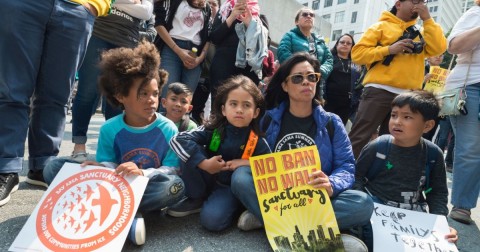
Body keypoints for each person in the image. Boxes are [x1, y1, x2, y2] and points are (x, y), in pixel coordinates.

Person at [43, 41, 185, 245]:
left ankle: (122, 213)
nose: (151, 100)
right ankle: (128, 213)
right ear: (121, 96)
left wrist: (142, 172)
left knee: (175, 187)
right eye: (143, 94)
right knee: (53, 168)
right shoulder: (109, 128)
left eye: (155, 93)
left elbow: (171, 169)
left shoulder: (168, 128)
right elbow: (108, 165)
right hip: (112, 186)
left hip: (146, 185)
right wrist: (100, 168)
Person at [231, 52, 373, 234]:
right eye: (298, 78)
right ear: (284, 85)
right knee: (241, 177)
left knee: (363, 203)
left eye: (311, 77)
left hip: (315, 196)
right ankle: (308, 228)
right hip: (276, 195)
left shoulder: (332, 122)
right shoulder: (267, 119)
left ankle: (267, 220)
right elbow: (256, 159)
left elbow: (346, 166)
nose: (306, 82)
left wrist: (332, 183)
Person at [0, 0, 112, 207]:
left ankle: (43, 164)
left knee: (57, 94)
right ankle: (5, 166)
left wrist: (96, 5)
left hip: (77, 8)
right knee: (12, 89)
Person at [354, 90, 458, 251]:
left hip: (412, 215)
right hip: (375, 209)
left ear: (428, 125)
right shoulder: (378, 146)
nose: (397, 122)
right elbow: (357, 177)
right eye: (394, 115)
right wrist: (361, 206)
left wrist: (441, 224)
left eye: (407, 117)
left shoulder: (433, 154)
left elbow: (437, 193)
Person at [168, 75, 271, 232]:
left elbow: (271, 166)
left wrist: (243, 163)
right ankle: (196, 199)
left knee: (211, 221)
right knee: (189, 149)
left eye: (246, 105)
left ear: (256, 112)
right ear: (224, 109)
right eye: (233, 104)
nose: (239, 110)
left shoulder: (257, 140)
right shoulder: (213, 129)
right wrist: (204, 163)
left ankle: (240, 206)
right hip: (206, 179)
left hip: (228, 188)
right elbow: (177, 139)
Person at [348, 0, 446, 158]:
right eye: (414, 1)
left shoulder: (422, 30)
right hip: (378, 90)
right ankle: (345, 175)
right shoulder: (380, 26)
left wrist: (427, 19)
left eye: (422, 2)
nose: (419, 4)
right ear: (398, 4)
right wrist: (389, 49)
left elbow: (439, 48)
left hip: (408, 96)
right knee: (361, 135)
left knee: (397, 141)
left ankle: (383, 178)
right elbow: (357, 54)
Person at [71, 0, 154, 163]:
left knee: (118, 97)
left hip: (128, 40)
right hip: (98, 34)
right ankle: (79, 146)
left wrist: (113, 3)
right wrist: (132, 4)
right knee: (87, 92)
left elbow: (146, 12)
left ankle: (114, 148)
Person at [443, 0, 480, 225]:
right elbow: (454, 46)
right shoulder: (475, 13)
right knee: (471, 148)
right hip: (472, 86)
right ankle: (462, 205)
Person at [209, 0, 267, 100]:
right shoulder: (225, 10)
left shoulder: (259, 18)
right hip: (222, 66)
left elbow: (265, 45)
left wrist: (250, 24)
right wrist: (232, 16)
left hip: (248, 70)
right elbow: (214, 38)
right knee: (219, 104)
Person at [154, 0, 212, 99]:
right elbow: (159, 25)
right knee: (168, 94)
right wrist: (179, 51)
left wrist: (200, 59)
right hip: (171, 48)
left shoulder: (206, 7)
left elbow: (209, 36)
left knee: (186, 97)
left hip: (195, 53)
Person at [277, 7, 333, 85]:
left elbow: (329, 60)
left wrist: (319, 72)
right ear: (297, 21)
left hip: (316, 82)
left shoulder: (320, 40)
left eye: (312, 15)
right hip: (295, 80)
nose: (309, 16)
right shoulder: (290, 36)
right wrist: (300, 70)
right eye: (305, 14)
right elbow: (283, 52)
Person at [190, 0, 221, 125]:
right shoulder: (196, 21)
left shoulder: (221, 30)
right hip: (192, 69)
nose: (210, 6)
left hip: (207, 79)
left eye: (214, 4)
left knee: (197, 112)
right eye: (208, 3)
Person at [324, 34, 362, 125]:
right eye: (342, 42)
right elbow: (323, 79)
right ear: (337, 45)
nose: (345, 44)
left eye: (348, 43)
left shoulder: (356, 64)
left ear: (352, 47)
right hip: (328, 101)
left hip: (347, 104)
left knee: (339, 130)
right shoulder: (328, 59)